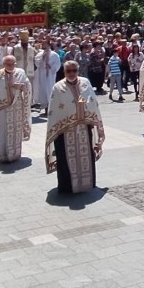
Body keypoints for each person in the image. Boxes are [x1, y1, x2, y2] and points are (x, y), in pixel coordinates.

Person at [44, 60, 106, 194]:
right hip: (66, 130)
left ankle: (87, 183)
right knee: (67, 157)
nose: (72, 73)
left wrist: (89, 115)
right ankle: (68, 187)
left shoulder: (85, 83)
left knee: (85, 155)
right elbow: (54, 110)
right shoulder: (58, 87)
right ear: (64, 72)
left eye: (74, 70)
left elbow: (92, 101)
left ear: (78, 71)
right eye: (68, 71)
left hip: (84, 127)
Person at [0, 55, 33, 163]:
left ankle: (15, 153)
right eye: (8, 64)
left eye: (13, 64)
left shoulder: (20, 72)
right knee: (3, 130)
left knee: (16, 129)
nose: (11, 66)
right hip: (2, 109)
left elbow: (27, 85)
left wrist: (22, 87)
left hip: (17, 106)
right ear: (3, 65)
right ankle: (3, 155)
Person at [34, 39, 62, 115]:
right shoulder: (39, 54)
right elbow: (37, 62)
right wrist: (42, 58)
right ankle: (46, 109)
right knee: (43, 91)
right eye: (43, 44)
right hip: (42, 74)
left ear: (49, 45)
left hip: (50, 75)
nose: (44, 45)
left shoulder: (54, 54)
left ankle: (51, 108)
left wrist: (51, 67)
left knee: (50, 90)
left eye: (45, 44)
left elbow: (57, 64)